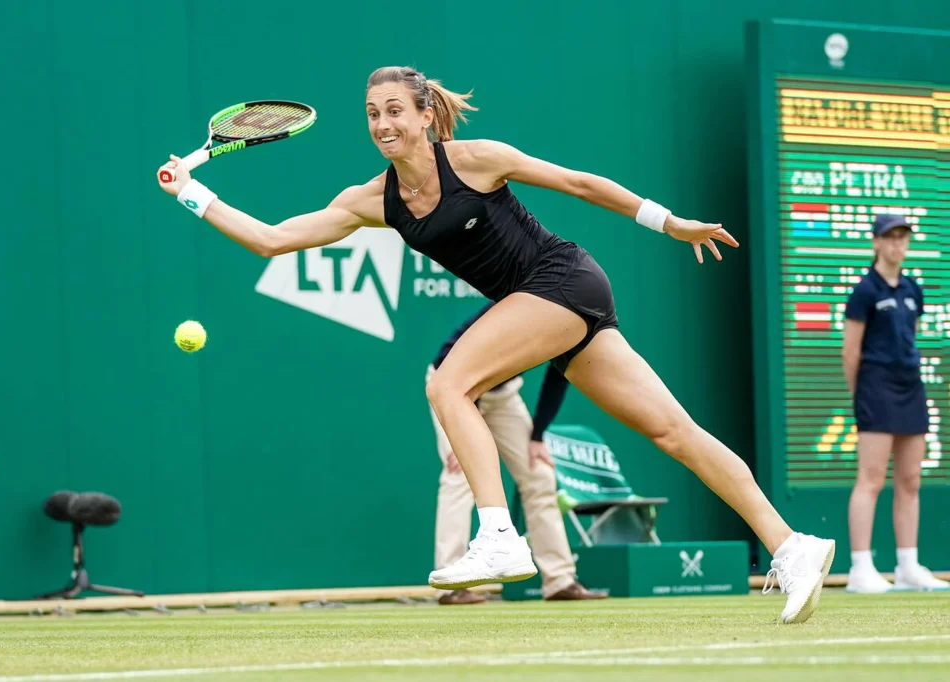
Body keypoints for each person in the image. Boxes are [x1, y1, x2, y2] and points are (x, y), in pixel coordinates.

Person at [157, 65, 836, 624]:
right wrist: (192, 193)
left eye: (395, 110)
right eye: (372, 113)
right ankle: (792, 544)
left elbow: (579, 183)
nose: (383, 124)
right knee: (674, 433)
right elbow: (273, 239)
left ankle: (498, 537)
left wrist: (671, 223)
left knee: (449, 383)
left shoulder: (477, 161)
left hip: (563, 280)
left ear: (426, 115)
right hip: (554, 311)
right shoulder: (372, 200)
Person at [427, 301, 608, 604]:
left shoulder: (569, 320)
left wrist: (537, 437)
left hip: (503, 394)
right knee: (461, 475)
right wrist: (461, 431)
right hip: (452, 386)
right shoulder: (512, 309)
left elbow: (559, 377)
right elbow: (452, 365)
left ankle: (560, 581)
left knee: (539, 475)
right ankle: (453, 582)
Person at [842, 214, 950, 594]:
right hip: (875, 387)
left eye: (903, 237)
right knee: (870, 480)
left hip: (910, 387)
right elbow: (851, 351)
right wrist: (861, 394)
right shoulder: (864, 291)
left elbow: (910, 338)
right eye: (890, 237)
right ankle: (860, 568)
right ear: (876, 242)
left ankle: (907, 565)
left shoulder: (912, 288)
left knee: (910, 480)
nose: (897, 244)